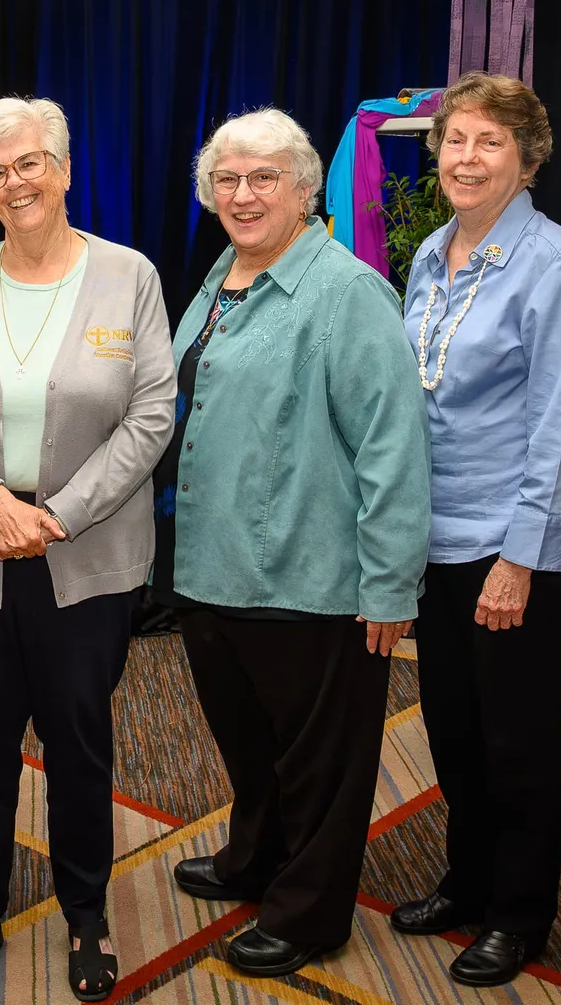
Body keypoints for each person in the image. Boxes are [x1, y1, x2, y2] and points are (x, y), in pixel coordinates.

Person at [0, 96, 175, 1004]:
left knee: (80, 743)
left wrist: (53, 513)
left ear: (64, 168)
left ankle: (86, 912)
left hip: (83, 556)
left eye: (30, 163)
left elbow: (151, 416)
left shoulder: (129, 275)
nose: (15, 182)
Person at [158, 108, 431, 977]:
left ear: (307, 188)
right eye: (227, 179)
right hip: (214, 566)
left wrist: (390, 585)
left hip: (311, 580)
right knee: (251, 743)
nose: (243, 194)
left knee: (321, 763)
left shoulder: (347, 292)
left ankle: (312, 912)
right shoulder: (224, 274)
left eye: (263, 177)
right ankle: (255, 859)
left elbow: (394, 448)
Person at [389, 72, 561, 988]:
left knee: (516, 740)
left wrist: (522, 557)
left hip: (510, 547)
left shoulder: (556, 264)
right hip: (434, 538)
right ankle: (466, 880)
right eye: (454, 140)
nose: (466, 158)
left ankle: (520, 912)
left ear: (528, 158)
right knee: (452, 727)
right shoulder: (431, 253)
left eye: (489, 142)